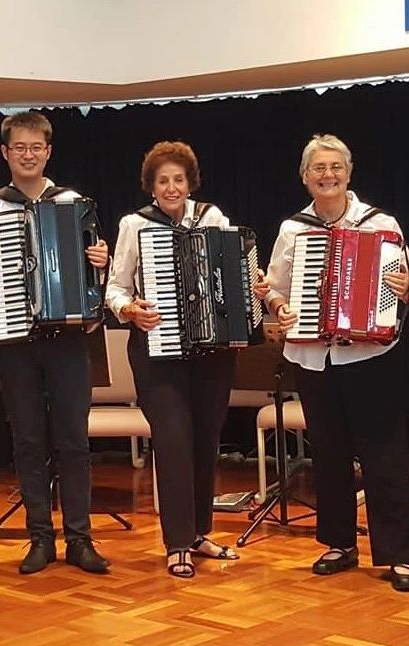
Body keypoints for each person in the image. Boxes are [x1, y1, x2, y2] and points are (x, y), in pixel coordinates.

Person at [260, 134, 409, 591]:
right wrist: (279, 308)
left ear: (349, 173)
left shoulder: (379, 223)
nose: (328, 175)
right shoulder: (292, 230)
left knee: (384, 455)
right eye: (319, 168)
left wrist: (406, 287)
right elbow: (274, 289)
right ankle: (339, 543)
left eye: (335, 167)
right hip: (314, 357)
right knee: (329, 455)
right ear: (305, 177)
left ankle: (400, 555)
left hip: (371, 355)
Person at [0, 112, 112, 574]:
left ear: (48, 152)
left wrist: (100, 265)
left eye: (36, 147)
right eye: (19, 148)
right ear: (5, 153)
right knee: (28, 440)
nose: (28, 155)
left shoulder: (74, 203)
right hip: (14, 340)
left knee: (73, 440)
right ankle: (39, 538)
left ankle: (80, 538)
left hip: (68, 339)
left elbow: (94, 280)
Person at [106, 140, 259, 578]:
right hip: (156, 352)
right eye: (162, 181)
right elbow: (114, 287)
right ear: (151, 187)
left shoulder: (213, 218)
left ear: (190, 182)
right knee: (172, 442)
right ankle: (176, 542)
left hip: (210, 352)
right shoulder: (134, 225)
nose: (171, 188)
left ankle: (199, 533)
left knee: (206, 441)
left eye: (178, 179)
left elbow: (234, 273)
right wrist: (129, 309)